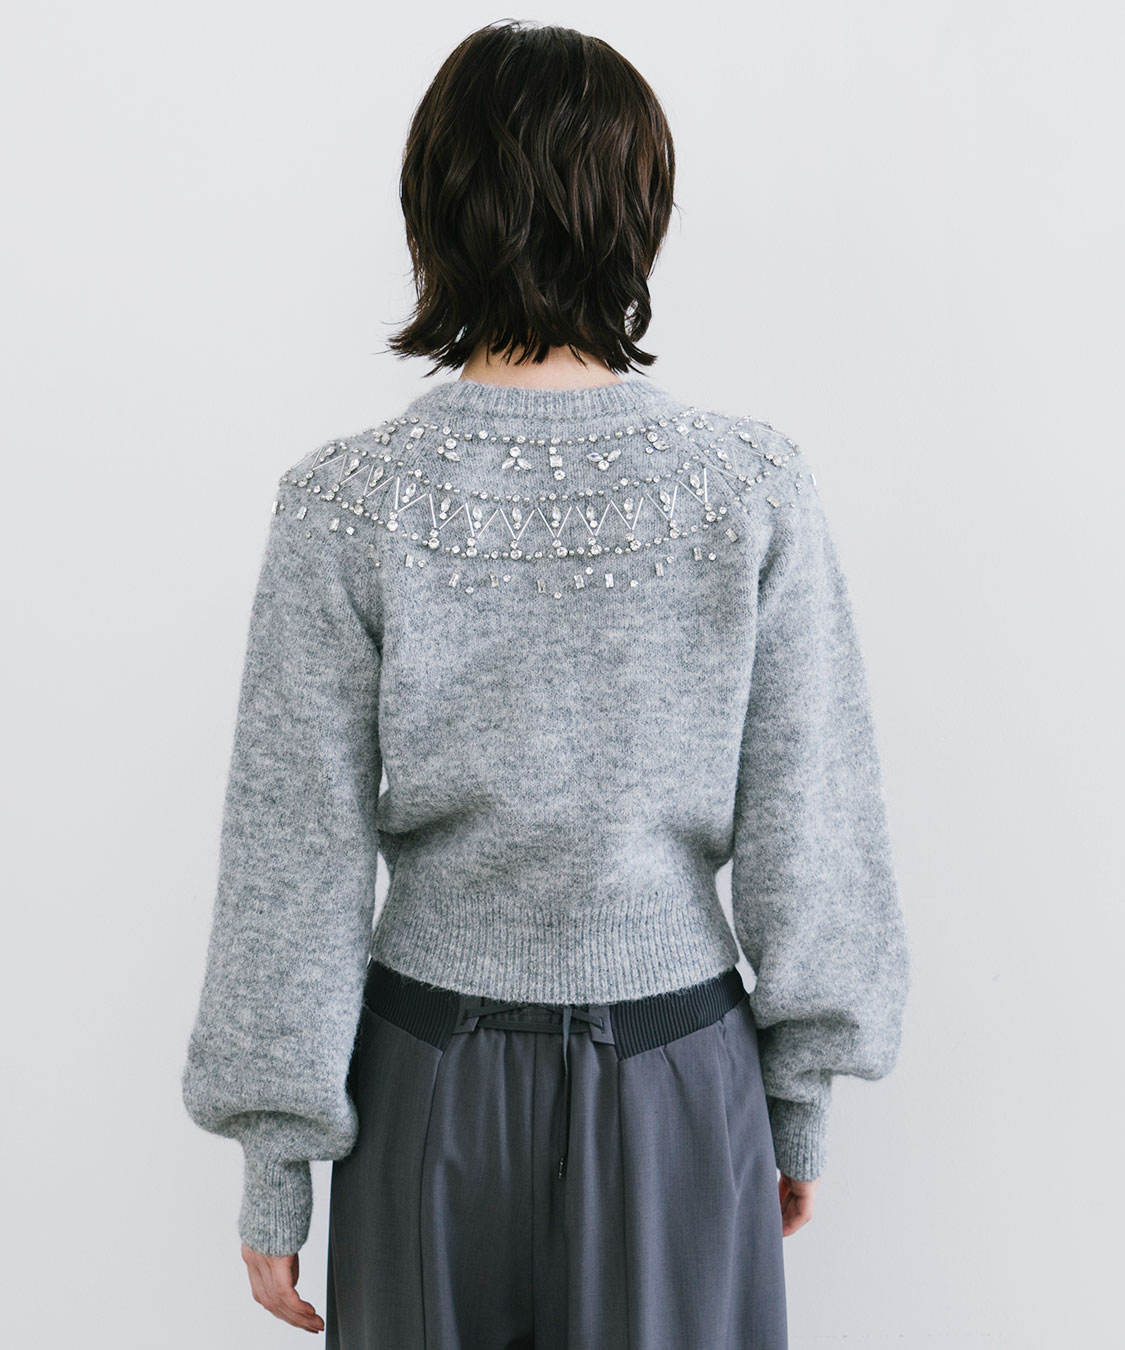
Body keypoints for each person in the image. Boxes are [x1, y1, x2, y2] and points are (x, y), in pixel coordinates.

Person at [180, 18, 911, 1348]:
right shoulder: (747, 487)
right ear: (641, 211)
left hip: (426, 1091)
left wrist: (277, 1164)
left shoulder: (345, 501)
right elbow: (811, 817)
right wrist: (795, 1102)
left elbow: (295, 854)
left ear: (433, 209)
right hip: (680, 1081)